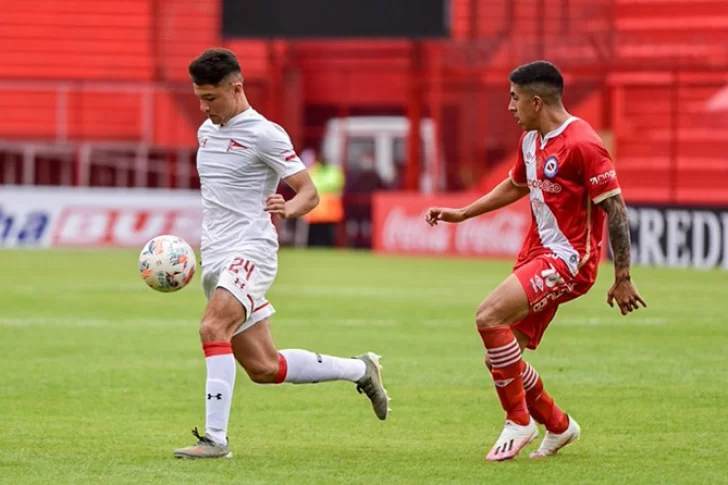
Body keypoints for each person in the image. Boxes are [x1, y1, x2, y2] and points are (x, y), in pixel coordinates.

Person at [174, 48, 390, 460]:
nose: (204, 107)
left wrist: (287, 208)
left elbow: (309, 191)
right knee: (264, 367)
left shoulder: (264, 133)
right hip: (216, 257)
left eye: (211, 98)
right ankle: (361, 369)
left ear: (236, 88)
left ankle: (215, 441)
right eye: (199, 97)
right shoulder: (207, 131)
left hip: (252, 248)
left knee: (211, 328)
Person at [425, 60, 646, 462]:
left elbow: (615, 208)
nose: (510, 107)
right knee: (501, 354)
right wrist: (463, 213)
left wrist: (623, 275)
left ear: (537, 101)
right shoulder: (531, 141)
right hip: (536, 253)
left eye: (514, 99)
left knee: (488, 316)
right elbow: (515, 184)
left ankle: (519, 421)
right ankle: (559, 425)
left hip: (568, 259)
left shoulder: (583, 142)